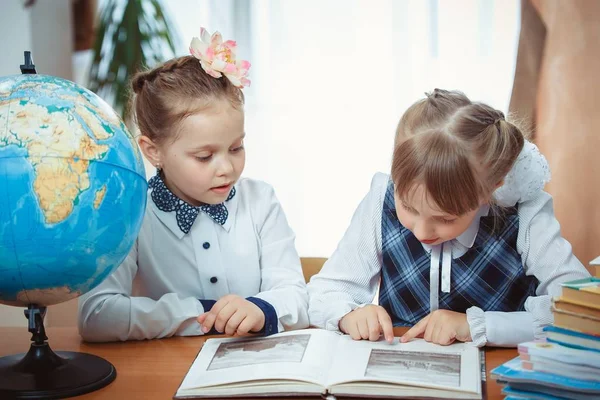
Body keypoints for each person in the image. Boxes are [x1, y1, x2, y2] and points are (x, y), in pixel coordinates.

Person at [307, 89, 590, 347]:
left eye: (445, 218)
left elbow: (582, 311)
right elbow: (325, 291)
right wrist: (349, 315)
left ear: (490, 189)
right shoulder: (381, 195)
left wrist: (479, 326)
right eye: (408, 207)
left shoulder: (526, 213)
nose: (421, 231)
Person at [79, 28, 308, 342]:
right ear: (153, 151)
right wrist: (196, 314)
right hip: (168, 376)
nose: (227, 168)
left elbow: (295, 295)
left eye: (237, 147)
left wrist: (260, 309)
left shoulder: (261, 201)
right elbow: (96, 315)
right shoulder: (131, 214)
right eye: (204, 156)